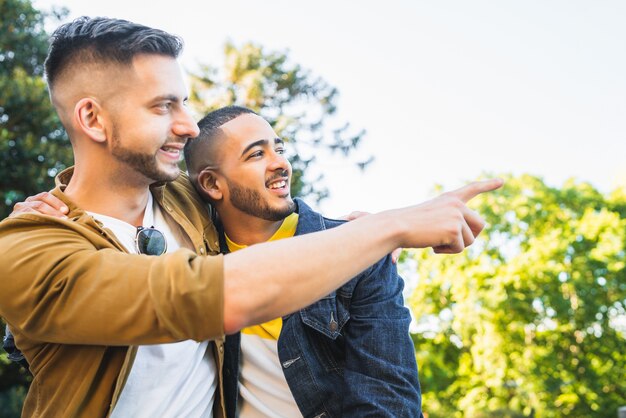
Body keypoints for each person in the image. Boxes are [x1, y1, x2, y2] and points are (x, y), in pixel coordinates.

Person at [0, 16, 502, 418]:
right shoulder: (29, 247)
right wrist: (386, 227)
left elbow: (266, 210)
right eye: (162, 107)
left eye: (186, 103)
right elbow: (213, 294)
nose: (188, 125)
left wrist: (354, 242)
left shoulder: (186, 199)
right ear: (92, 118)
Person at [184, 105, 421, 417]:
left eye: (279, 148)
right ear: (213, 184)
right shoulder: (199, 263)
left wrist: (375, 233)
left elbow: (388, 401)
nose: (281, 163)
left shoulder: (360, 252)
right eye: (257, 155)